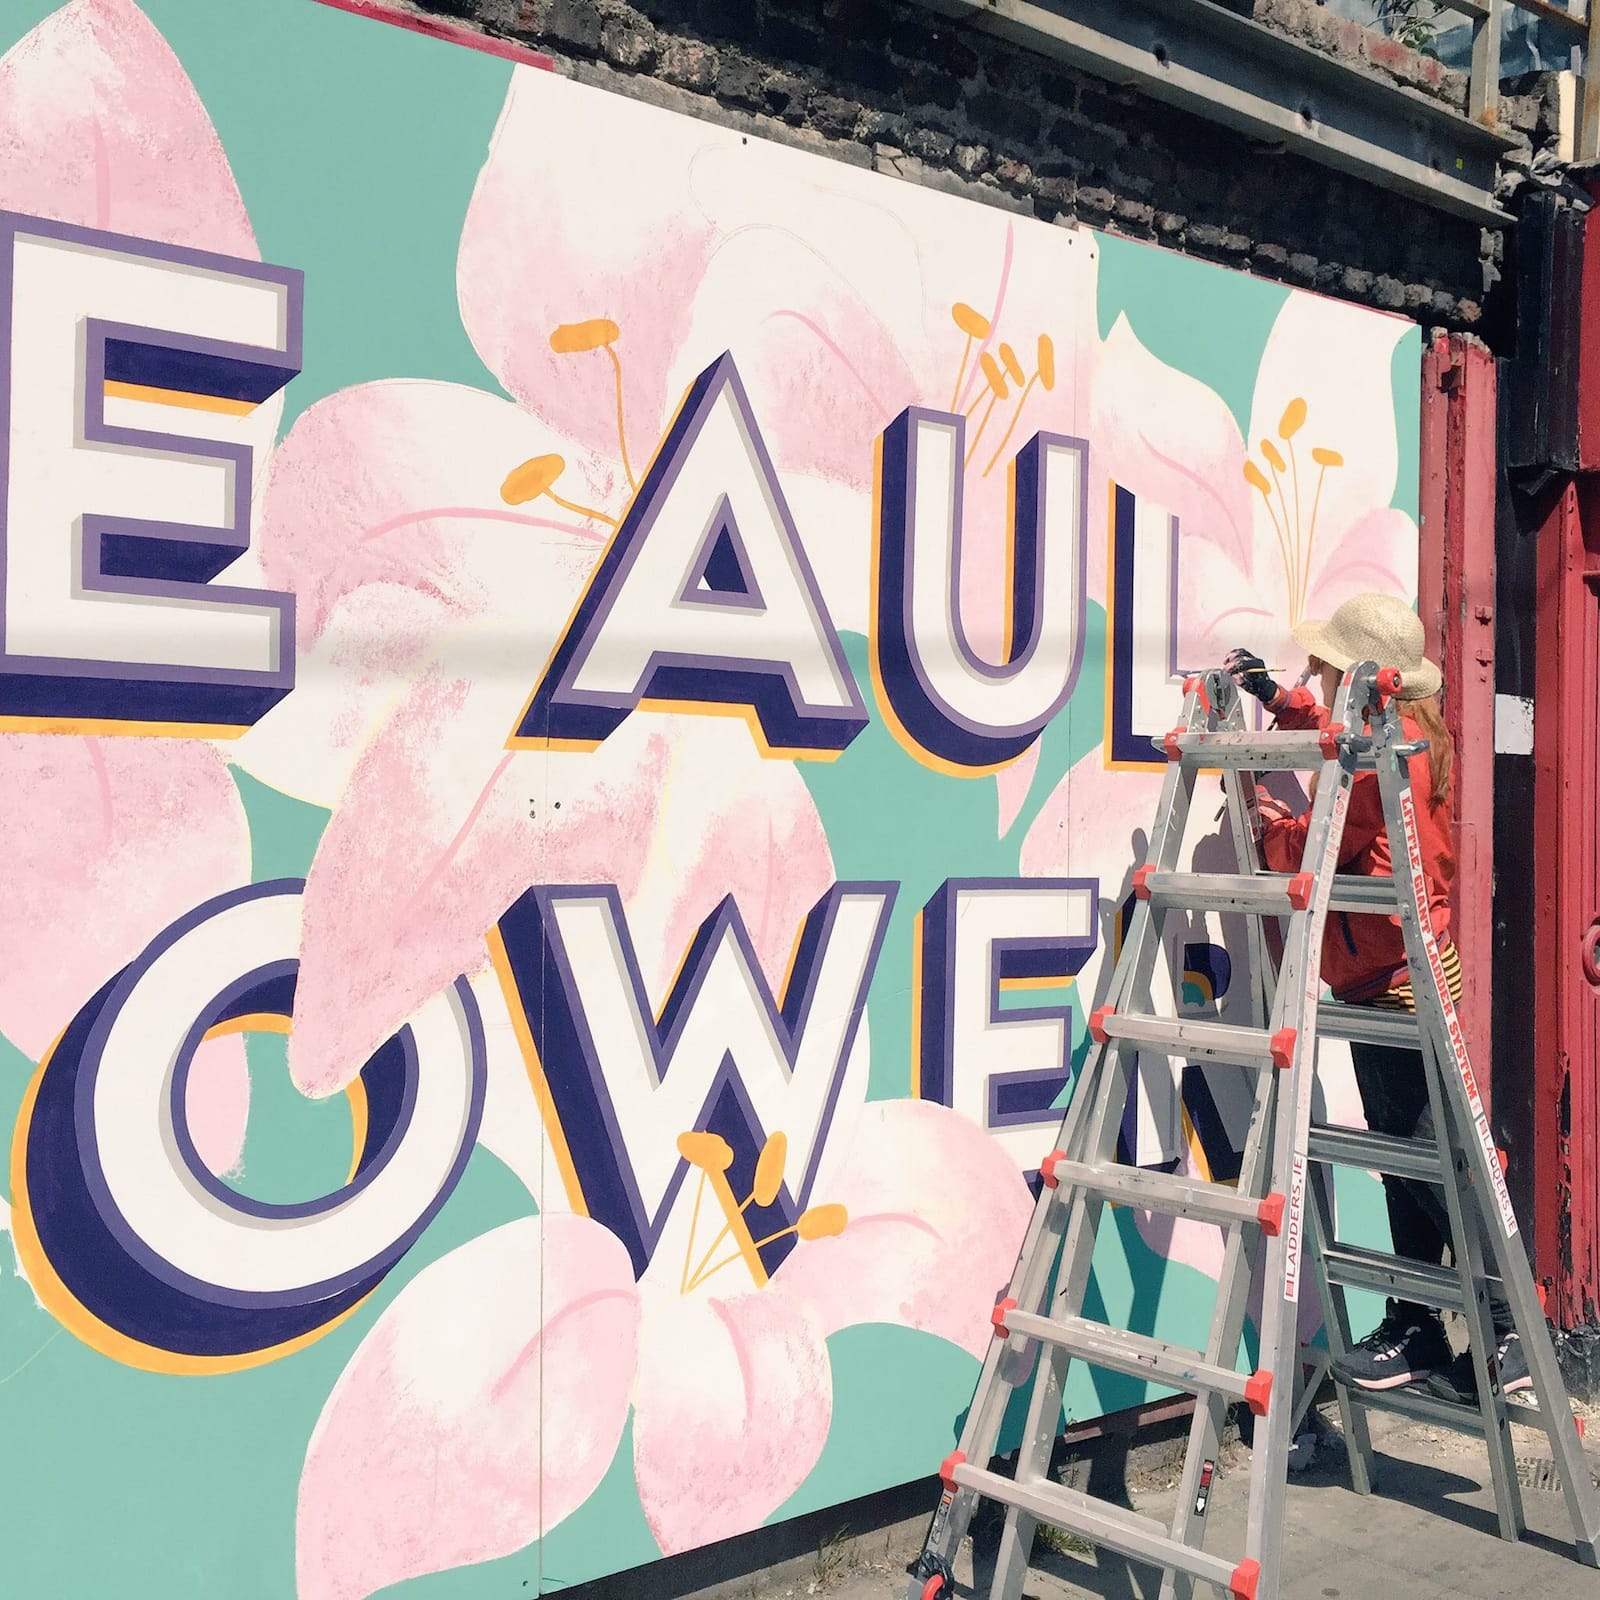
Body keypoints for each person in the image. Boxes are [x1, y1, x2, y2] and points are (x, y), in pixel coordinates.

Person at [1223, 593, 1527, 1402]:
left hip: (1394, 982)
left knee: (1436, 1163)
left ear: (1361, 677)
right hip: (1390, 975)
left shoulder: (1391, 753)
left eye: (1324, 671)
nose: (1314, 679)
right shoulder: (1402, 730)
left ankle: (1504, 1330)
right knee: (1408, 1158)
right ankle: (1419, 1325)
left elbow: (1336, 834)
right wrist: (1279, 701)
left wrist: (1270, 829)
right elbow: (1336, 749)